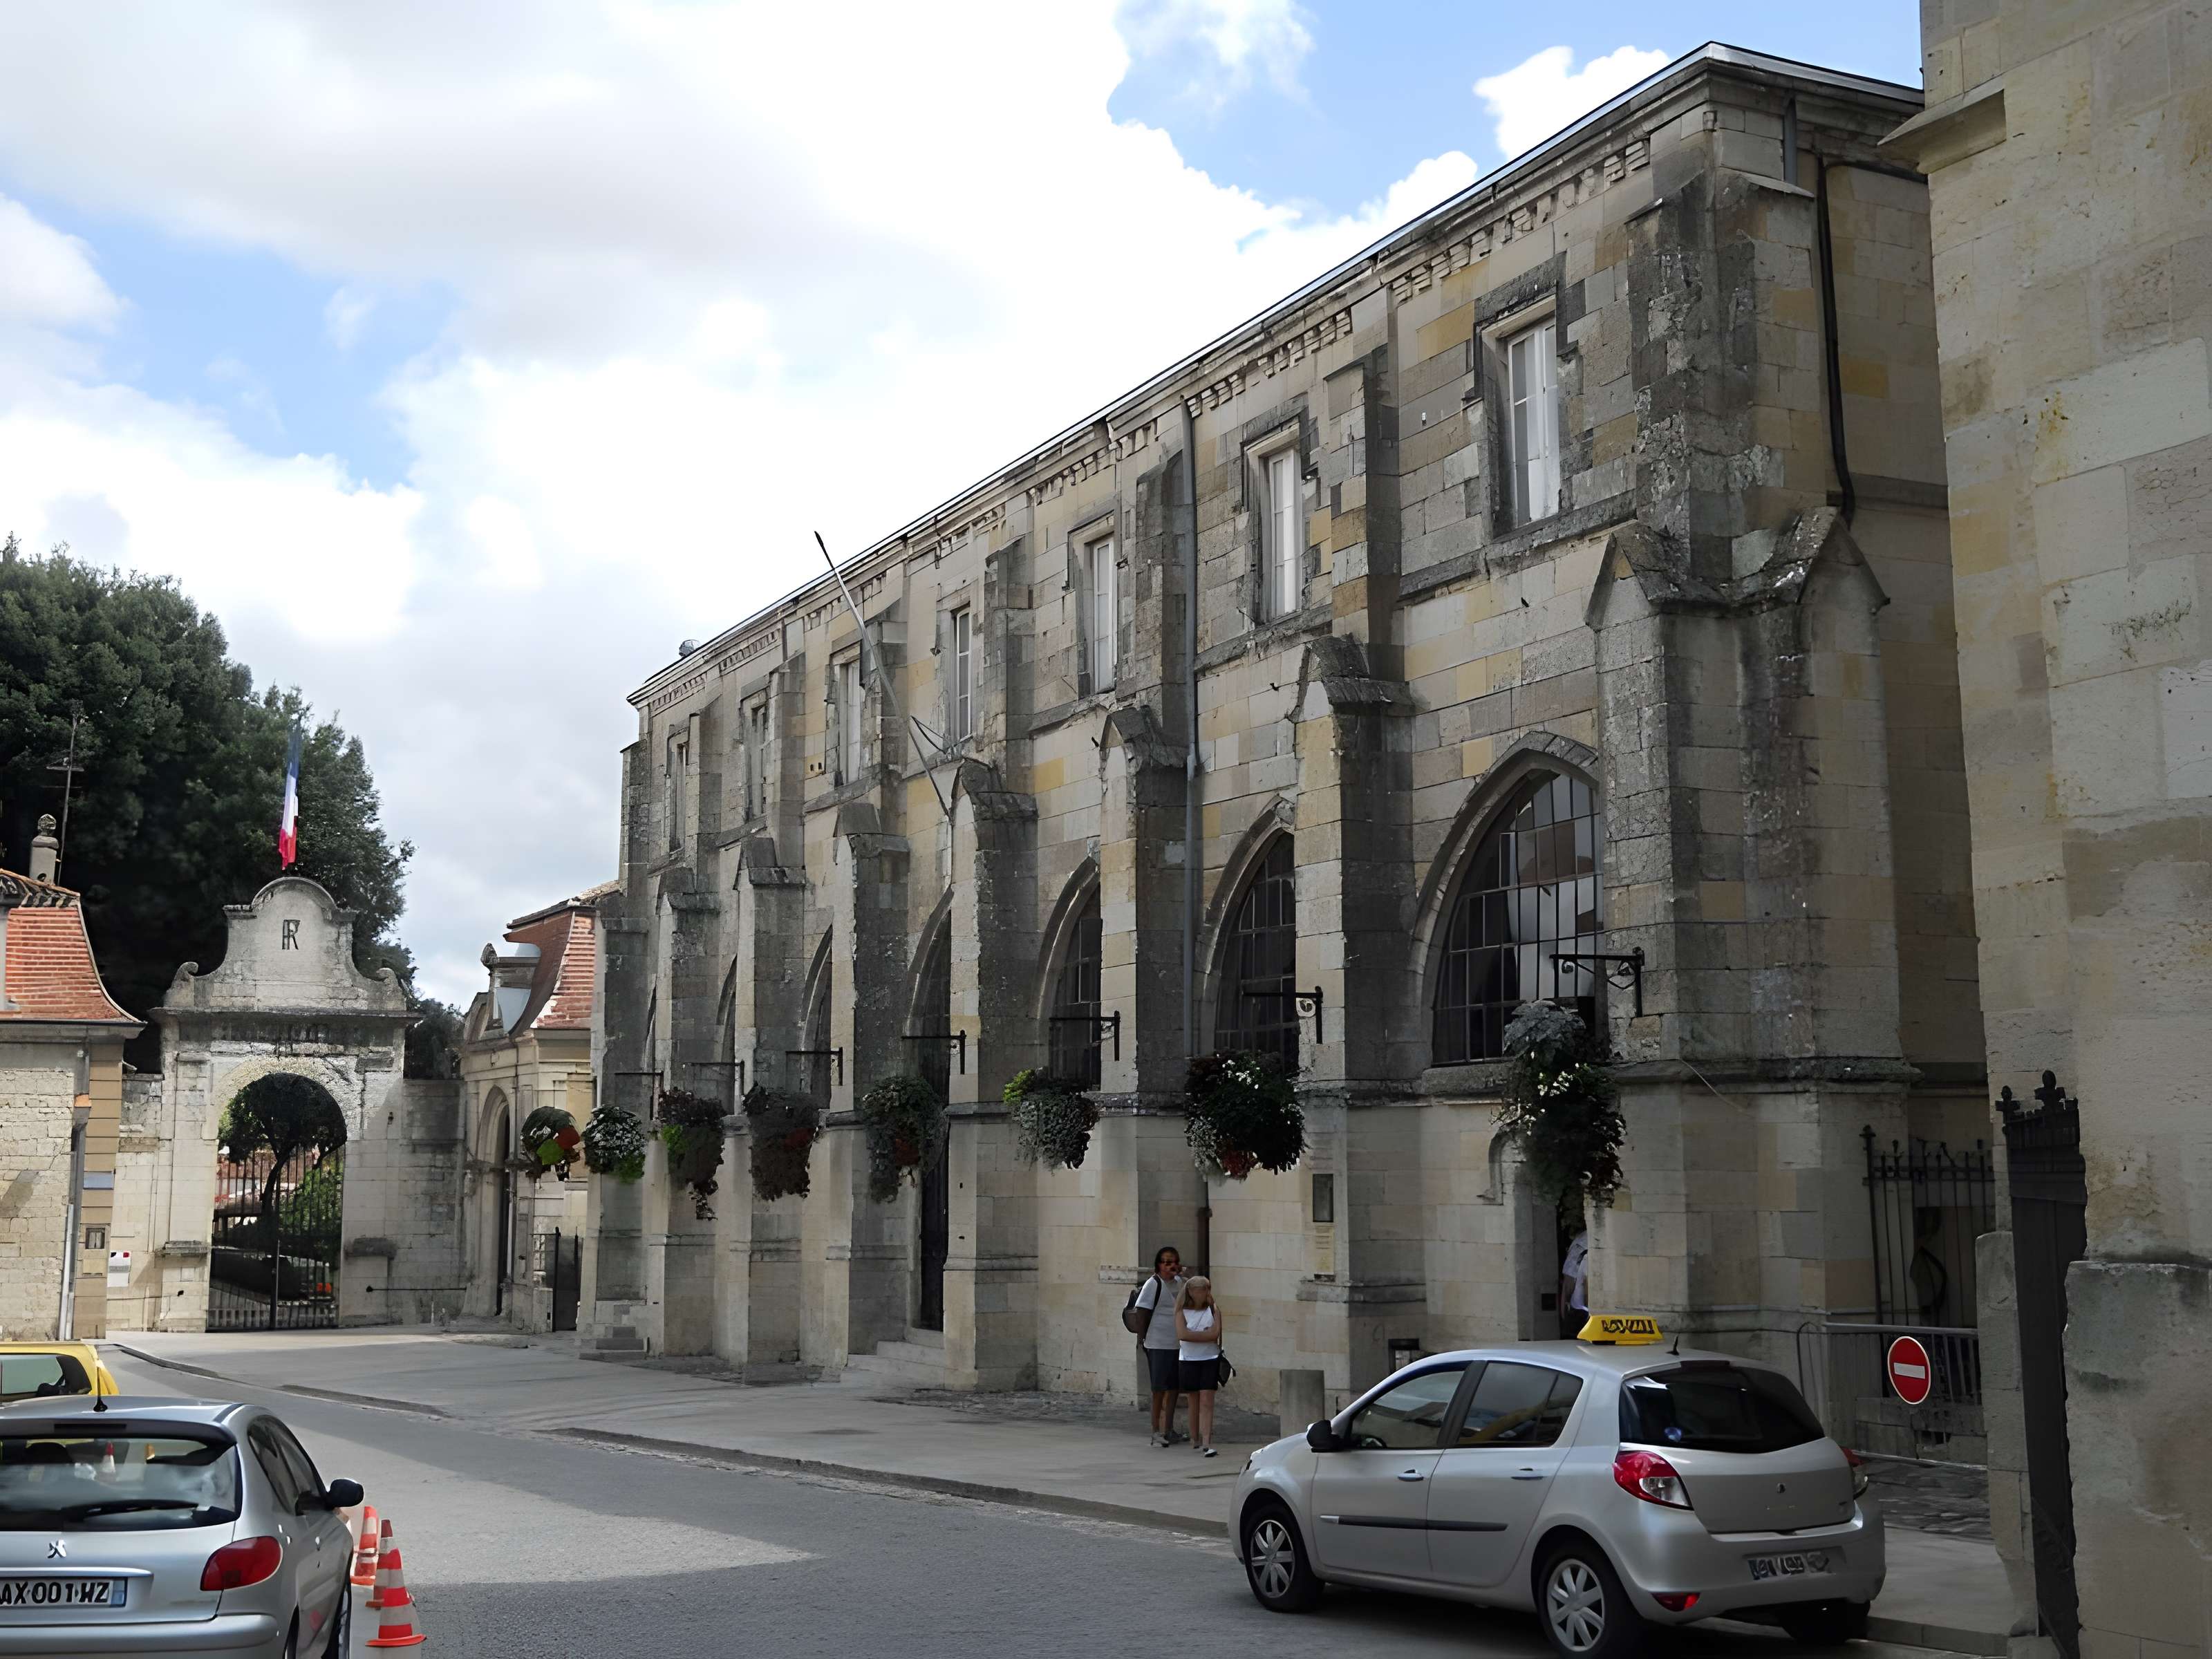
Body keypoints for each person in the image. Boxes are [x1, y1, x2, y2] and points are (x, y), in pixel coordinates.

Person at [1132, 1246, 1187, 1447]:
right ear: (1158, 1265)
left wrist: (1183, 1275)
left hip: (1177, 1342)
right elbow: (1142, 1312)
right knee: (1159, 1388)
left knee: (1174, 1388)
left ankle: (1169, 1428)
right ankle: (1156, 1430)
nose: (1170, 1265)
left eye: (1173, 1261)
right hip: (1157, 1342)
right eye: (1166, 1262)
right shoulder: (1153, 1284)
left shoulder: (1182, 1283)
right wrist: (1142, 1339)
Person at [1175, 1275, 1225, 1457]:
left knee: (1207, 1400)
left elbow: (1215, 1334)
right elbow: (1182, 1334)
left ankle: (1206, 1441)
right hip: (1188, 1359)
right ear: (1192, 1292)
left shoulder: (1213, 1309)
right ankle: (1194, 1437)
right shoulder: (1181, 1310)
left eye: (1206, 1289)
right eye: (1201, 1290)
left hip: (1210, 1358)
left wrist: (1197, 1334)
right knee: (1193, 1400)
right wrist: (1204, 1335)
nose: (1205, 1293)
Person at [1559, 1226, 1590, 1337]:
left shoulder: (1581, 1241)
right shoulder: (1585, 1243)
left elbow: (1567, 1285)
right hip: (1582, 1315)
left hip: (1576, 1312)